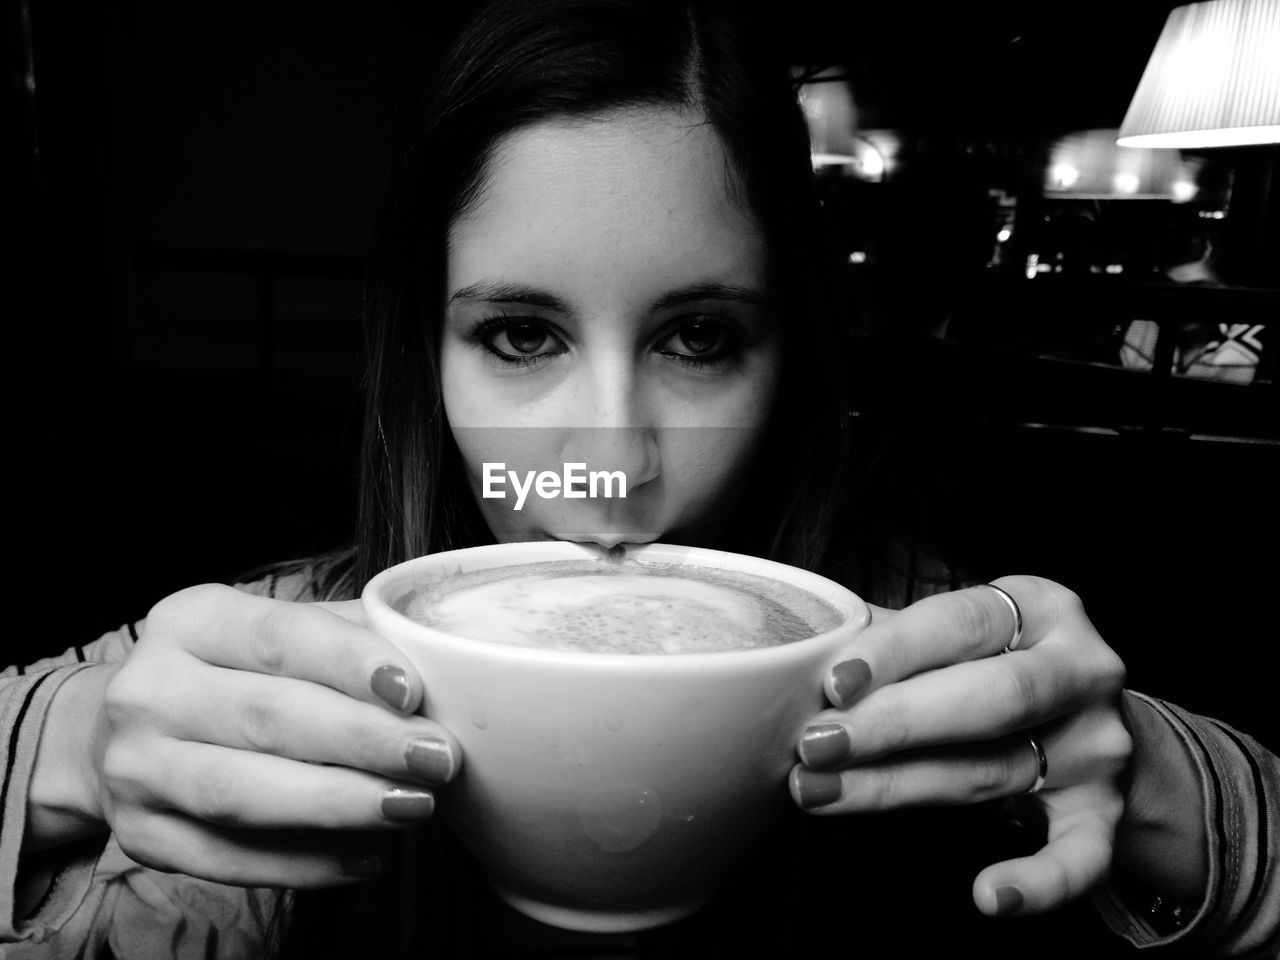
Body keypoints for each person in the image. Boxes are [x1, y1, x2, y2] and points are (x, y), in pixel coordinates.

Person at [3, 1, 1276, 957]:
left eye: (698, 338)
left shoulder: (919, 663)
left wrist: (1164, 787)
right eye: (519, 336)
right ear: (423, 364)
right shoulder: (275, 665)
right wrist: (69, 751)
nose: (609, 463)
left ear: (788, 360)